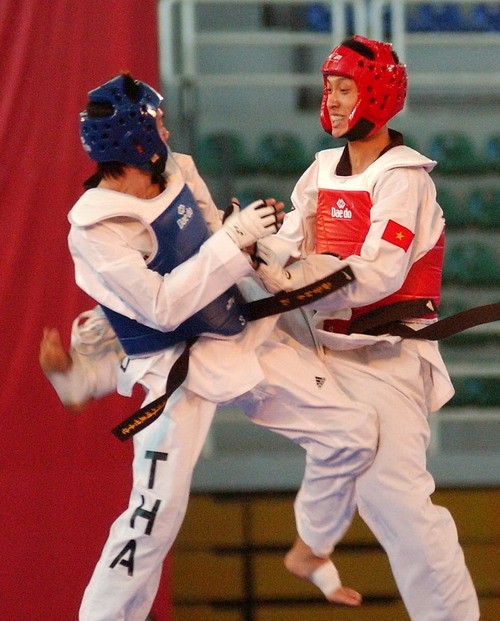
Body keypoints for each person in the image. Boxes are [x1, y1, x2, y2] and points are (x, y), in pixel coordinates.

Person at [50, 71, 379, 621]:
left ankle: (312, 550)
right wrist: (234, 238)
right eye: (157, 123)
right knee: (153, 520)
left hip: (233, 331)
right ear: (136, 140)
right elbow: (161, 306)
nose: (166, 129)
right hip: (171, 370)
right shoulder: (95, 232)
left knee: (354, 431)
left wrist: (263, 249)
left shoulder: (177, 169)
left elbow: (212, 233)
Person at [254, 35, 480, 620]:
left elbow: (379, 272)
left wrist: (291, 274)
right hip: (321, 354)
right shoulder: (322, 169)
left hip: (385, 361)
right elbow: (284, 243)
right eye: (327, 88)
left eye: (344, 88)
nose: (329, 100)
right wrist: (254, 250)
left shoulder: (406, 178)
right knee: (214, 343)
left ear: (377, 97)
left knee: (400, 505)